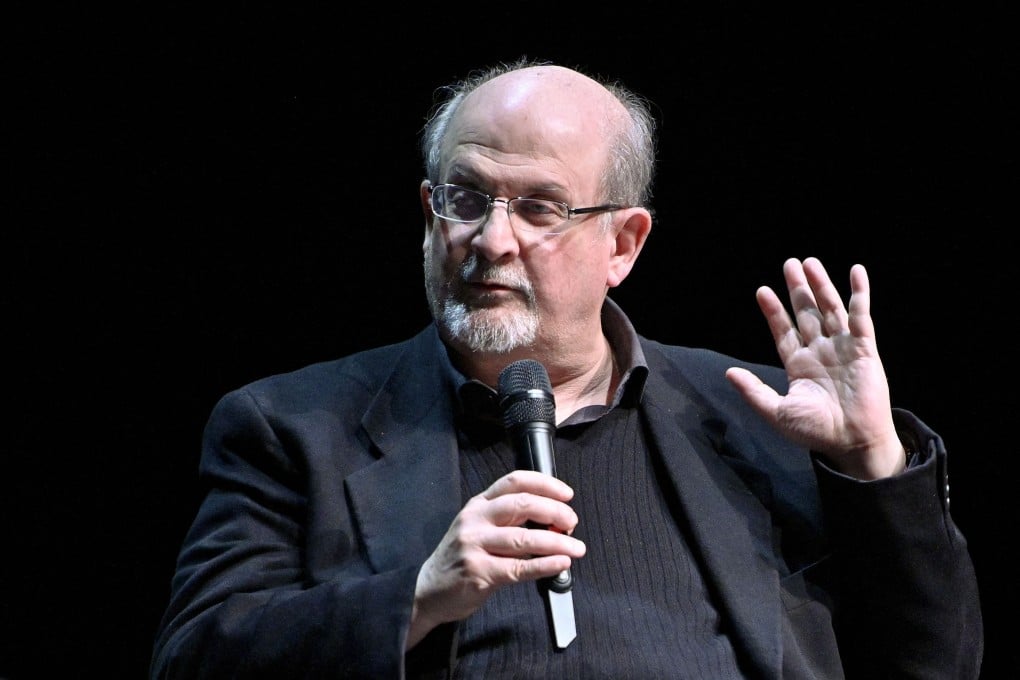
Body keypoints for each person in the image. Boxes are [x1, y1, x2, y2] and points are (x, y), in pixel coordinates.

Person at [149, 57, 983, 679]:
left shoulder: (753, 416)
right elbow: (192, 658)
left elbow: (935, 662)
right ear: (428, 210)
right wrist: (421, 595)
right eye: (465, 198)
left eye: (541, 209)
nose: (491, 240)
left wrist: (870, 461)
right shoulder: (292, 427)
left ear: (623, 244)